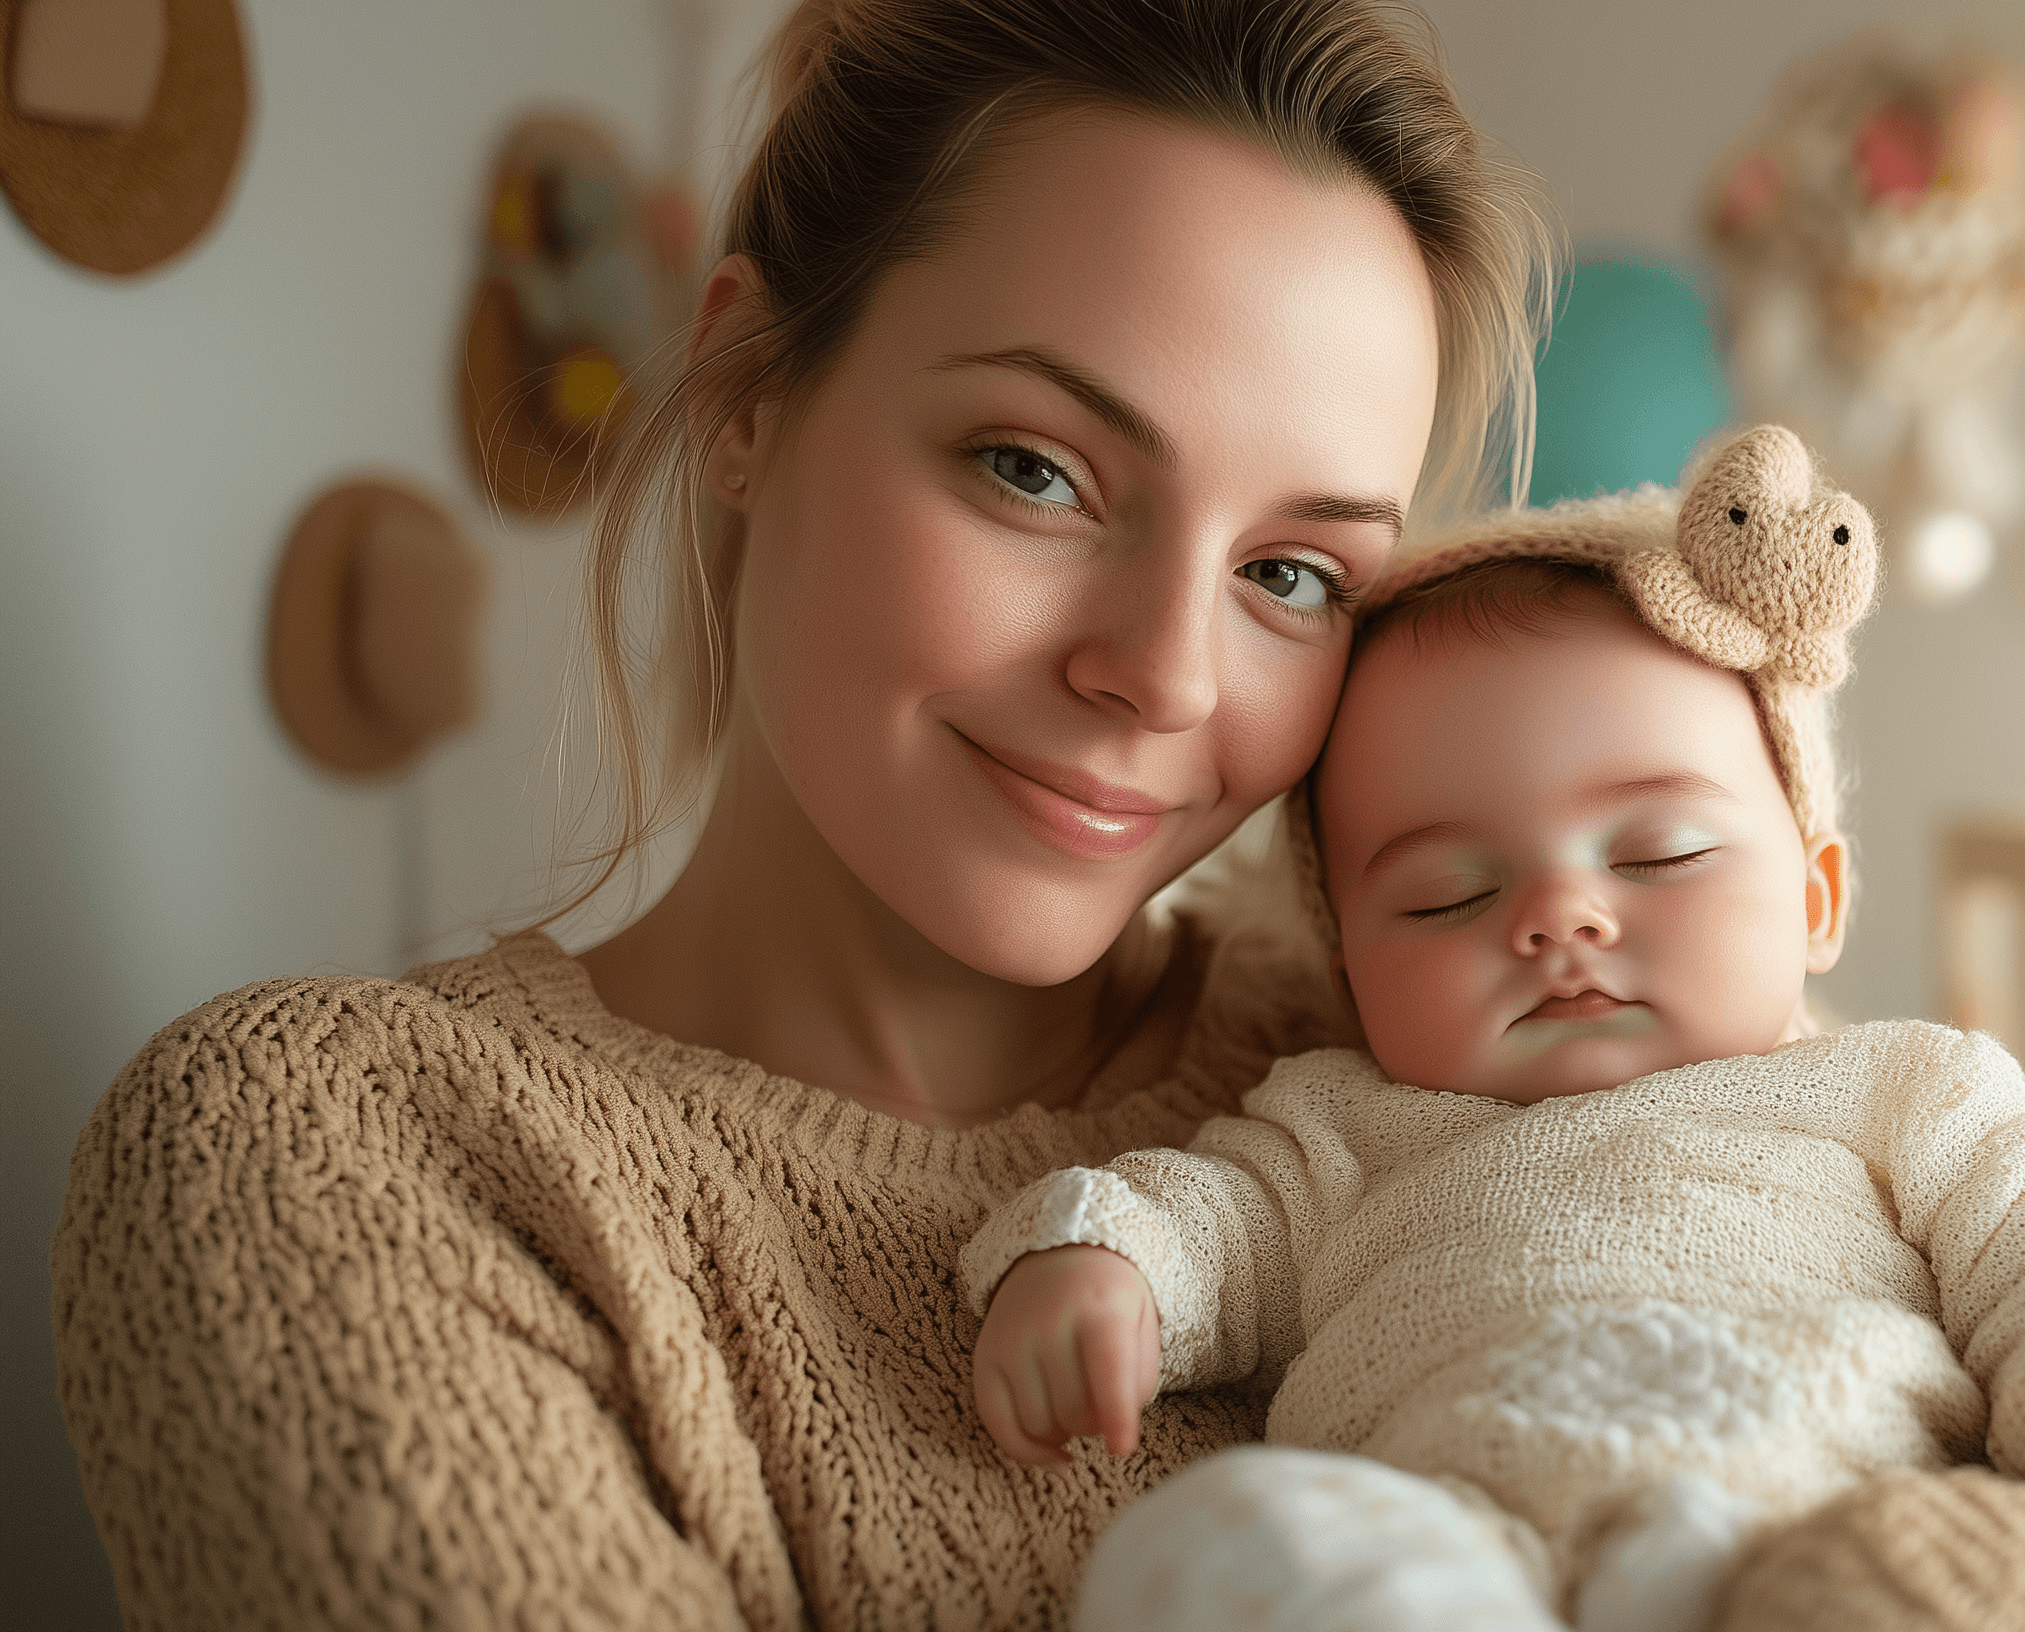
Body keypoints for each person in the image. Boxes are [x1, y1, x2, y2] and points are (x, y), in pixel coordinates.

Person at [52, 3, 1547, 1625]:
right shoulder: (343, 1153)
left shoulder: (1447, 1053)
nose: (1165, 677)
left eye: (1290, 574)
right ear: (747, 392)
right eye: (1033, 469)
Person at [960, 428, 2025, 1632]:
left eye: (1660, 856)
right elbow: (1209, 1221)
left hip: (1827, 1539)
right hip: (1469, 1560)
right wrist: (1102, 1264)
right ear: (1350, 966)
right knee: (1213, 1542)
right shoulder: (1339, 1128)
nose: (1555, 919)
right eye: (1449, 894)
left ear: (1817, 900)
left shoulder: (1902, 1093)